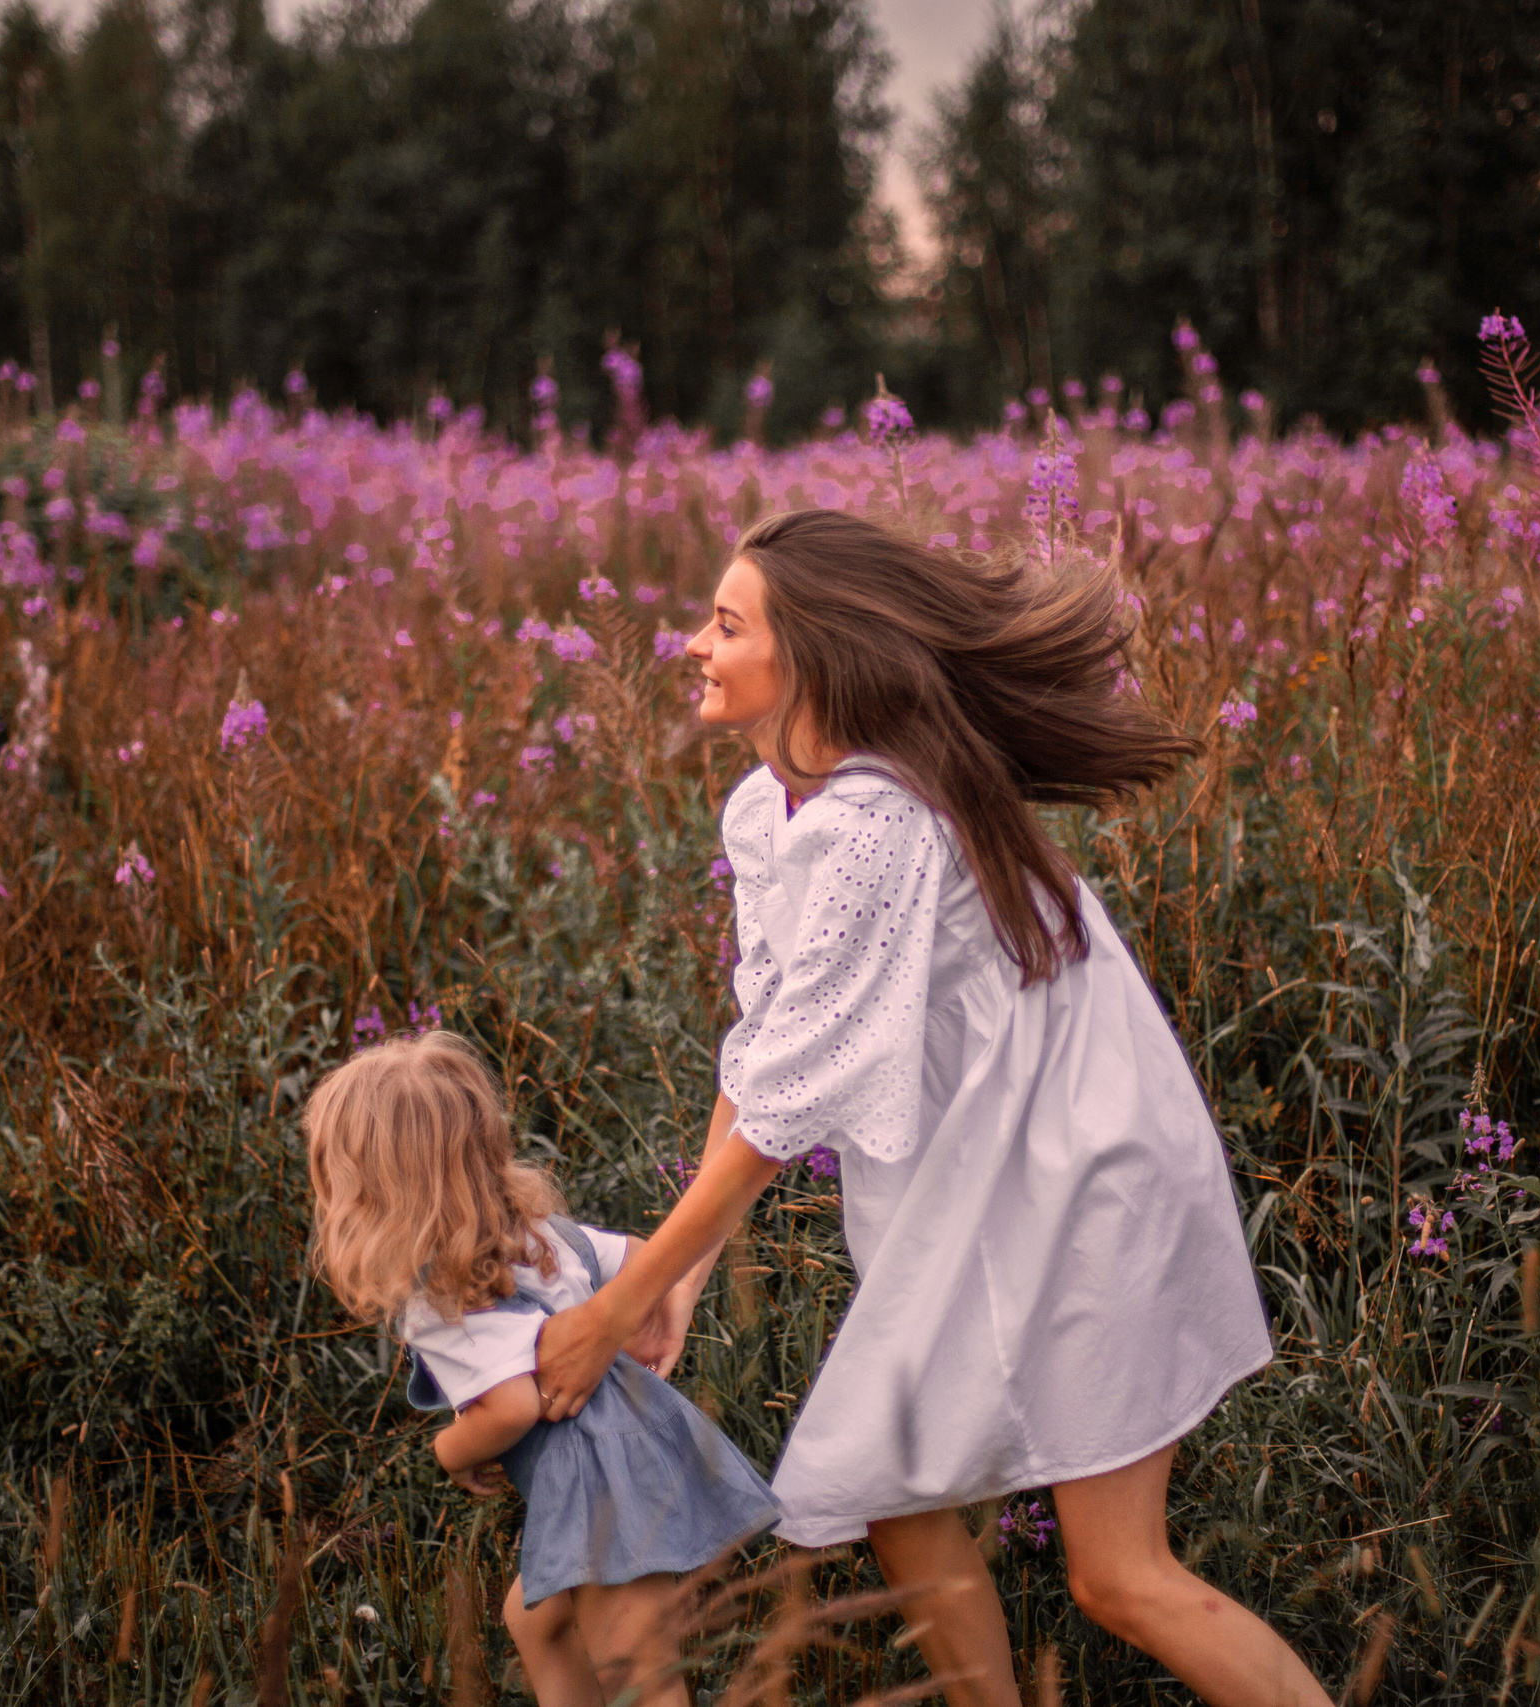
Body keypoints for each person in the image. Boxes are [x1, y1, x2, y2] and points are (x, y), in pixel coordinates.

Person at [533, 509, 1333, 1707]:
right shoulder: (775, 811)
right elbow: (769, 1055)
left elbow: (786, 1099)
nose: (691, 644)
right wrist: (683, 1279)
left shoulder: (878, 824)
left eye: (726, 623)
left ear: (807, 659)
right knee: (898, 1500)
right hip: (990, 1181)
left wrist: (619, 1307)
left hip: (1083, 1180)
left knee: (1117, 1576)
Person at [303, 1031, 781, 1707]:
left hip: (600, 1493)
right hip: (636, 1459)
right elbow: (644, 1260)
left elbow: (513, 1407)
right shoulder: (542, 1235)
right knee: (532, 1620)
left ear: (374, 1195)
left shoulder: (438, 1299)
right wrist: (639, 1332)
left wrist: (449, 1449)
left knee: (638, 1676)